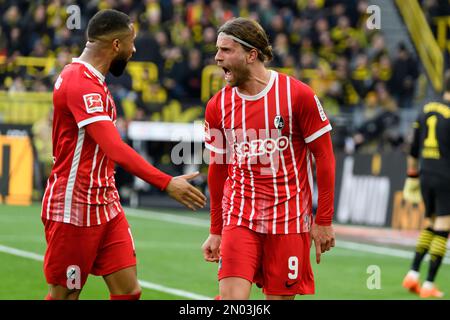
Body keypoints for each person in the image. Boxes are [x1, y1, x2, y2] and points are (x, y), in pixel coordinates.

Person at [41, 9, 206, 300]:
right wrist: (166, 182)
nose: (134, 50)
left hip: (106, 202)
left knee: (129, 292)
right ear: (116, 45)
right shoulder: (79, 81)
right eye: (132, 42)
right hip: (74, 204)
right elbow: (114, 147)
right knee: (65, 295)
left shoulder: (92, 79)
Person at [201, 17, 336, 300]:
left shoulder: (298, 95)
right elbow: (218, 168)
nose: (217, 57)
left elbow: (324, 157)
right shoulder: (217, 105)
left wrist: (323, 219)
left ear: (251, 55)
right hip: (240, 218)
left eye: (226, 50)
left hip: (289, 222)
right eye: (217, 50)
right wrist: (216, 230)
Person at [402, 70, 450, 299]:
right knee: (443, 228)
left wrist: (412, 176)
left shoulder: (425, 109)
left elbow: (412, 148)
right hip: (445, 175)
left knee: (430, 224)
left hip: (425, 173)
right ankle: (429, 284)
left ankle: (412, 274)